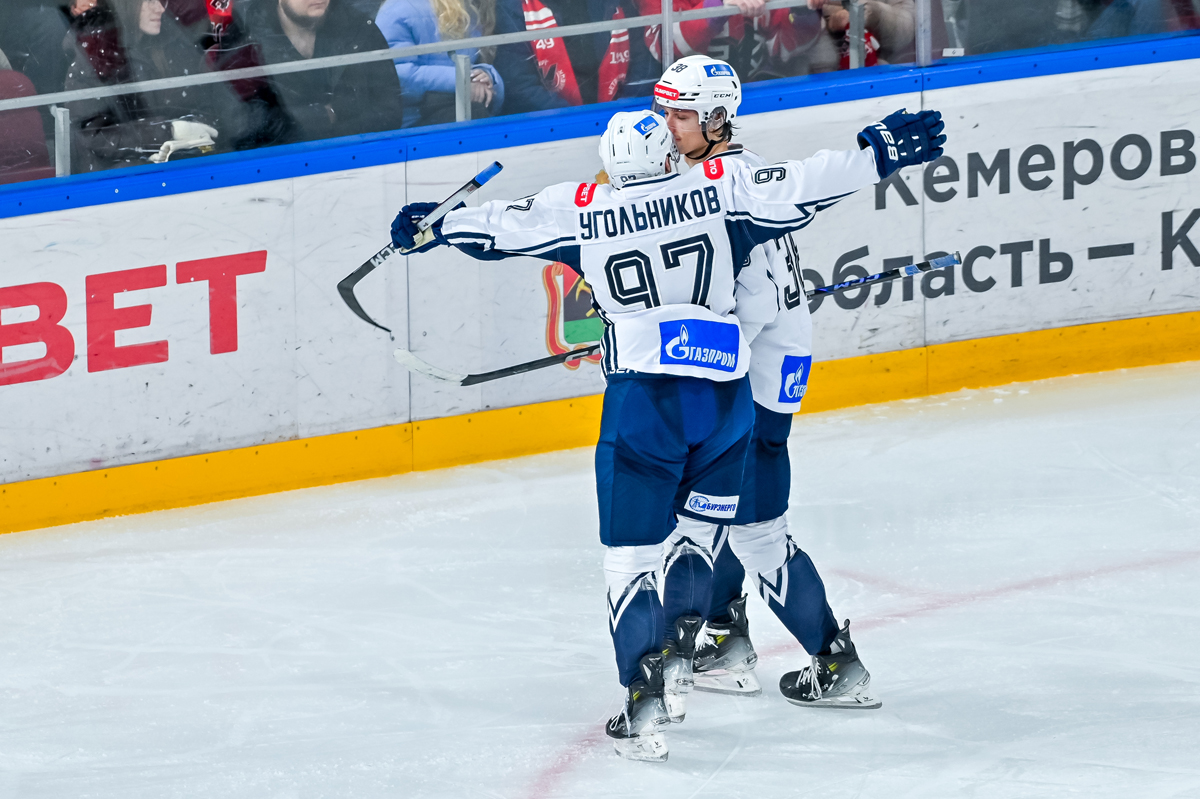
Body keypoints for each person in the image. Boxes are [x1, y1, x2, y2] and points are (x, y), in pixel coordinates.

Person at [390, 98, 944, 759]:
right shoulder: (722, 187)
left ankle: (651, 695)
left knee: (631, 560)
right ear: (666, 154)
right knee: (700, 539)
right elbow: (809, 182)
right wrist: (877, 153)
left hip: (645, 404)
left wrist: (436, 225)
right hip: (728, 403)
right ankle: (702, 651)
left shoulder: (583, 208)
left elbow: (500, 227)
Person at [647, 56, 942, 719]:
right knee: (717, 517)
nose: (669, 126)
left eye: (681, 115)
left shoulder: (726, 182)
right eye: (665, 112)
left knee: (748, 530)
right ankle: (725, 639)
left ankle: (832, 664)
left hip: (747, 391)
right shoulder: (721, 174)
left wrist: (659, 337)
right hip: (769, 379)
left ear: (716, 119)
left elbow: (806, 188)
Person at [211, 0, 403, 149]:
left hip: (358, 159)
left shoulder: (358, 28)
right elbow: (244, 127)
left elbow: (389, 112)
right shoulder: (244, 38)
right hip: (276, 171)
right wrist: (326, 115)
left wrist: (313, 125)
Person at [63, 0, 225, 172]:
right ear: (125, 5)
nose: (160, 9)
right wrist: (168, 132)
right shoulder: (91, 61)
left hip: (185, 167)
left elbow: (205, 103)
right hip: (121, 179)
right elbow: (97, 137)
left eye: (161, 1)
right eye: (149, 1)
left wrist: (196, 131)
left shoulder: (172, 45)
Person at [491, 0, 657, 116]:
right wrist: (573, 118)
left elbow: (643, 68)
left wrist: (620, 114)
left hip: (621, 124)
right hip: (553, 131)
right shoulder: (513, 6)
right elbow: (519, 85)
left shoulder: (617, 3)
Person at [375, 0, 504, 127]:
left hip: (456, 109)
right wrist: (461, 79)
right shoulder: (396, 9)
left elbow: (471, 62)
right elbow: (396, 74)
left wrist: (483, 77)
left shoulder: (467, 11)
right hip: (412, 123)